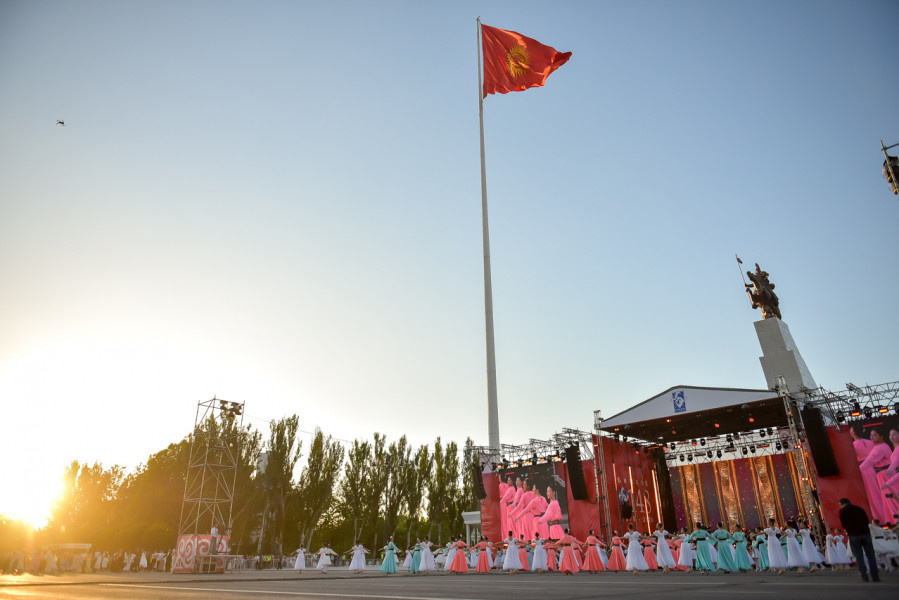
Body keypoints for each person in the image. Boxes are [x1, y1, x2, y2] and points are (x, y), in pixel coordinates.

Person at [838, 497, 880, 582]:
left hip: (854, 535)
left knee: (859, 556)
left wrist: (849, 528)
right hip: (865, 533)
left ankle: (864, 576)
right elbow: (866, 520)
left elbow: (843, 524)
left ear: (842, 504)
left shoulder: (843, 511)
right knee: (871, 555)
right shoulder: (859, 509)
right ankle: (875, 576)